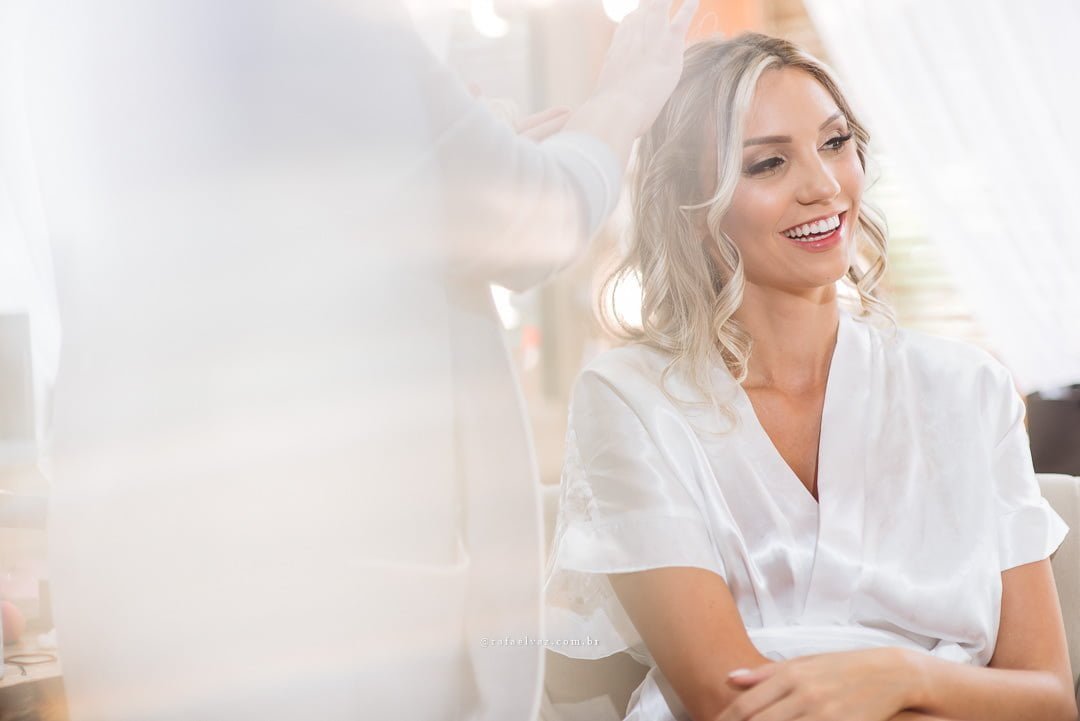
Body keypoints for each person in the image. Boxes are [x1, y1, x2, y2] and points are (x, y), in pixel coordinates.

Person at [10, 1, 698, 720]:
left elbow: (275, 226)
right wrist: (623, 96)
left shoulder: (88, 32)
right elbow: (532, 219)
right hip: (309, 615)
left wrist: (445, 161)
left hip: (152, 589)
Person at [545, 33, 1075, 721]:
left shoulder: (969, 391)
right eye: (768, 163)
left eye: (835, 142)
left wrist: (900, 675)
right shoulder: (631, 398)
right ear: (693, 209)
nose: (823, 186)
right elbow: (723, 696)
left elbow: (1049, 695)